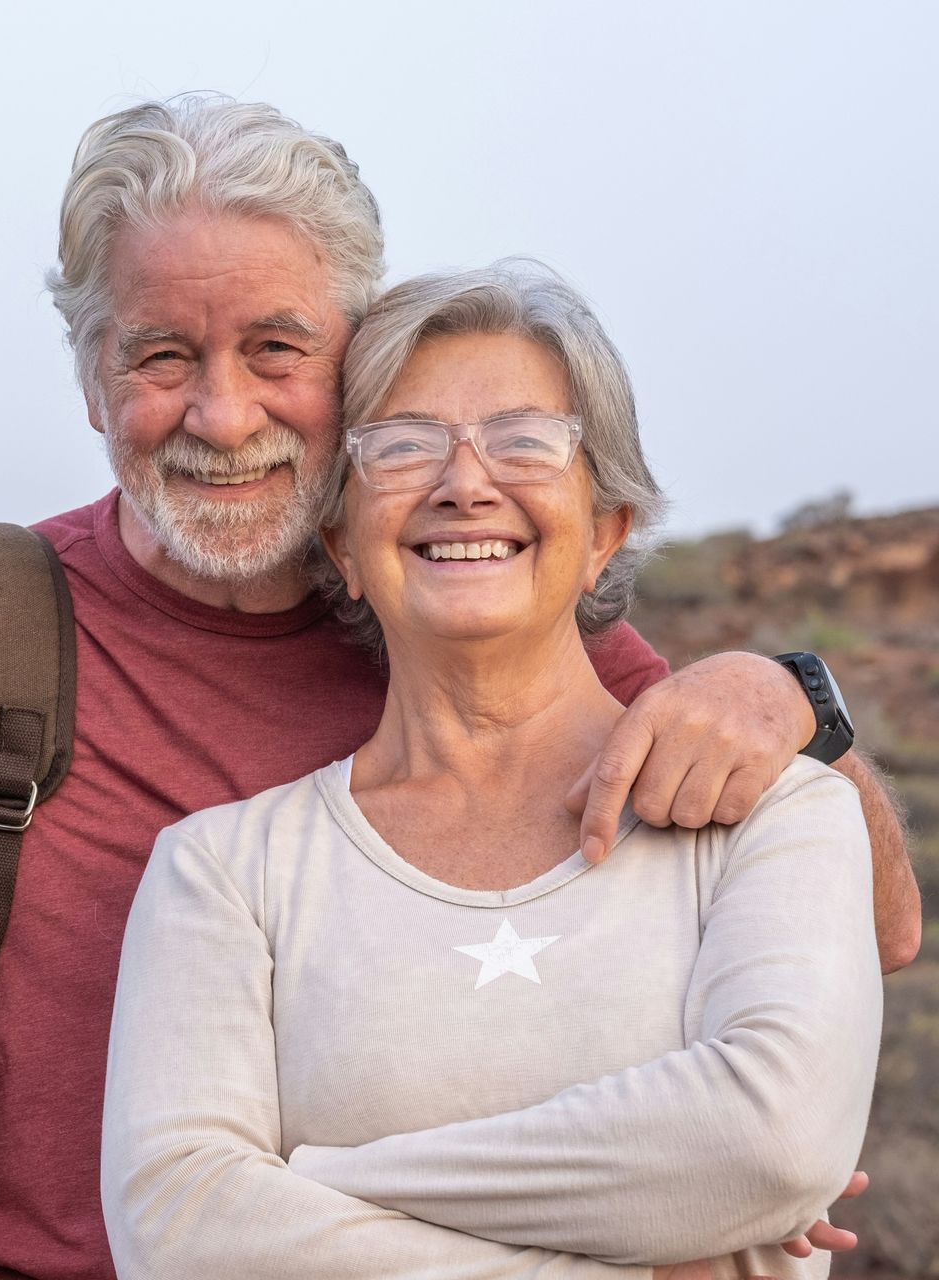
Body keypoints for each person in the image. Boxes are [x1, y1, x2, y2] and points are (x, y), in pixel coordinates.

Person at [0, 96, 921, 1280]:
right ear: (93, 384)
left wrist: (792, 700)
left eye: (275, 348)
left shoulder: (466, 605)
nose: (222, 413)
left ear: (355, 355)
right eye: (160, 355)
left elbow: (876, 924)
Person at [100, 260, 883, 1279]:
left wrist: (311, 1182)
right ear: (338, 537)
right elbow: (177, 1230)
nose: (466, 483)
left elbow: (772, 1140)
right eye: (405, 445)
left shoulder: (780, 814)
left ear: (607, 529)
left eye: (524, 440)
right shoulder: (225, 870)